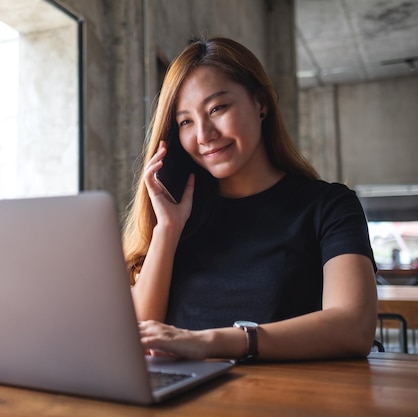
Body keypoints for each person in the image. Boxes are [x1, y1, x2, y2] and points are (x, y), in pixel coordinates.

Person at [122, 37, 377, 362]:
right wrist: (167, 230)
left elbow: (354, 328)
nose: (203, 135)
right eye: (186, 121)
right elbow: (139, 335)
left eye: (217, 108)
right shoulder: (179, 219)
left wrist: (212, 341)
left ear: (261, 104)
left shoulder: (329, 207)